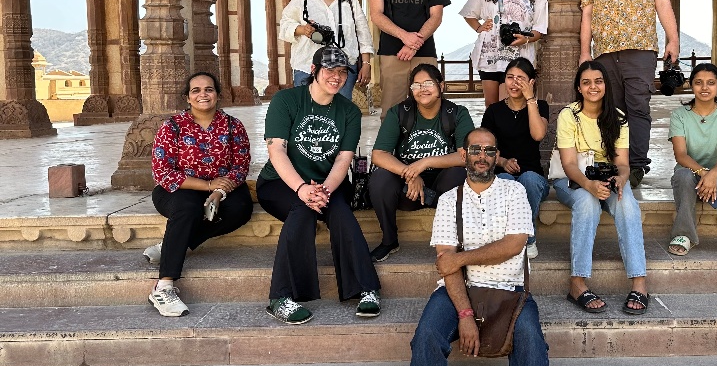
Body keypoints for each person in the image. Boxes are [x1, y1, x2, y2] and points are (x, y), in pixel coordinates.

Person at [406, 127, 549, 366]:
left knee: (532, 342)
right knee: (425, 339)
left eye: (489, 150)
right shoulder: (449, 200)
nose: (482, 156)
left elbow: (515, 243)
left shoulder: (515, 191)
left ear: (496, 155)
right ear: (463, 154)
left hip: (509, 291)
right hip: (458, 293)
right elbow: (444, 264)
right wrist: (466, 315)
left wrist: (462, 257)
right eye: (475, 150)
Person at [256, 45, 381, 323]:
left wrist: (323, 190)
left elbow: (343, 159)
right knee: (302, 210)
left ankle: (365, 288)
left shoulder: (349, 111)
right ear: (313, 70)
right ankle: (281, 297)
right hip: (281, 182)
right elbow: (276, 151)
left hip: (329, 184)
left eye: (341, 72)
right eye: (329, 70)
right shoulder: (286, 101)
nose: (336, 77)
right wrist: (302, 189)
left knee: (341, 213)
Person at [580, 0, 679, 187]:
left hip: (640, 49)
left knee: (637, 107)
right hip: (605, 52)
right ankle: (615, 163)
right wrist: (585, 52)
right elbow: (587, 13)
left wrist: (673, 39)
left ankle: (635, 166)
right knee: (612, 109)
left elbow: (662, 3)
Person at [147, 72, 253, 317]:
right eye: (196, 90)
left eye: (208, 89)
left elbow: (240, 165)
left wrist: (218, 191)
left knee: (240, 209)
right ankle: (163, 286)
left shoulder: (232, 125)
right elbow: (163, 172)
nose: (203, 94)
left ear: (217, 94)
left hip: (221, 188)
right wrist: (206, 186)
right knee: (188, 208)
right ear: (187, 97)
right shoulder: (172, 126)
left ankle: (175, 243)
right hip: (178, 190)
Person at [554, 61, 648, 316]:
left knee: (627, 203)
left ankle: (639, 282)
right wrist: (589, 185)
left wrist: (621, 179)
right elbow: (569, 164)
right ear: (579, 87)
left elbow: (623, 164)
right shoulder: (569, 115)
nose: (593, 87)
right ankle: (578, 282)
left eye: (598, 81)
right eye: (586, 82)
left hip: (607, 178)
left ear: (606, 85)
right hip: (572, 179)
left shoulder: (617, 118)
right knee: (587, 202)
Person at [369, 63, 474, 262]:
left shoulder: (457, 113)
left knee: (460, 174)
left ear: (441, 86)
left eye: (428, 83)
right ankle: (389, 240)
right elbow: (379, 154)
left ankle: (453, 239)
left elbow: (466, 156)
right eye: (416, 85)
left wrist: (425, 162)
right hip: (408, 191)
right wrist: (410, 173)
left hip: (442, 190)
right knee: (380, 177)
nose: (422, 89)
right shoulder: (399, 113)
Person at [667, 63, 717, 259]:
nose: (704, 88)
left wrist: (714, 174)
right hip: (690, 169)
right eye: (698, 83)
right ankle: (684, 235)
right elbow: (681, 155)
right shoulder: (679, 115)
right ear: (690, 85)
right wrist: (704, 173)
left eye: (711, 83)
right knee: (684, 177)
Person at [460, 0, 548, 106]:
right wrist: (479, 28)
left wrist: (526, 38)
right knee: (491, 107)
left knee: (509, 106)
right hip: (490, 55)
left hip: (519, 57)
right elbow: (469, 12)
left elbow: (540, 28)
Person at [278, 0, 373, 99]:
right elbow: (284, 24)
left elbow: (363, 34)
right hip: (307, 66)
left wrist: (366, 65)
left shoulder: (350, 1)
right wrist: (303, 29)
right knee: (307, 114)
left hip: (342, 69)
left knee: (338, 115)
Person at [481, 58, 550, 259]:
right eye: (510, 77)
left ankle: (528, 239)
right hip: (503, 173)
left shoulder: (540, 106)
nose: (514, 83)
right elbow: (486, 149)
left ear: (531, 82)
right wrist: (502, 162)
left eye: (521, 78)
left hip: (534, 178)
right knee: (506, 181)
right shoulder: (494, 111)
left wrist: (530, 101)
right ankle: (510, 239)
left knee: (527, 180)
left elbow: (538, 135)